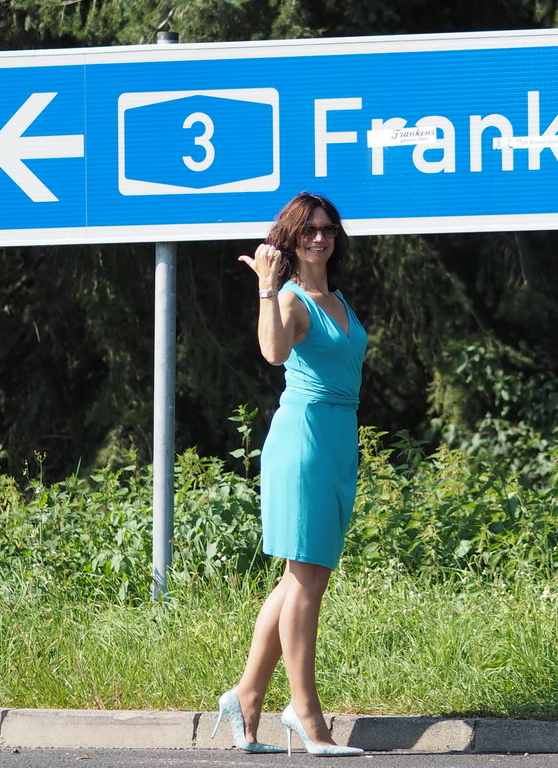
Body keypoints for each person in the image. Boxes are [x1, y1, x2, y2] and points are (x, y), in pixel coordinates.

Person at [211, 193, 367, 756]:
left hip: (337, 439)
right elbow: (274, 352)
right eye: (308, 231)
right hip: (303, 440)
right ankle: (305, 713)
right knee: (307, 579)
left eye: (326, 228)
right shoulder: (292, 297)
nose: (319, 238)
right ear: (292, 240)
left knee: (299, 578)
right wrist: (267, 285)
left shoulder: (336, 297)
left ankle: (246, 696)